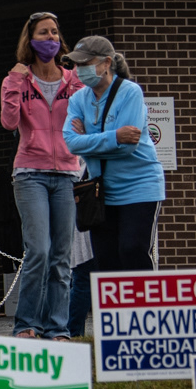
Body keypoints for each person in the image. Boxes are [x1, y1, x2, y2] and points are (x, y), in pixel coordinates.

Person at [0, 12, 86, 340]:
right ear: (31, 40)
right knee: (38, 250)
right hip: (30, 173)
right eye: (43, 34)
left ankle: (57, 327)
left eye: (54, 34)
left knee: (62, 255)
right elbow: (9, 123)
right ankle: (27, 324)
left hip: (66, 173)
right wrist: (13, 82)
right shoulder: (18, 80)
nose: (50, 39)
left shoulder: (72, 80)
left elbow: (84, 118)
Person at [65, 37, 165, 277]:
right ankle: (115, 314)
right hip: (102, 193)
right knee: (106, 260)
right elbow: (70, 142)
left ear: (106, 63)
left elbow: (128, 147)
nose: (79, 70)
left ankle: (146, 309)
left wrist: (88, 138)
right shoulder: (78, 99)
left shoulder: (130, 92)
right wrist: (114, 136)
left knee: (132, 250)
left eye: (85, 63)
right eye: (76, 65)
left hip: (140, 186)